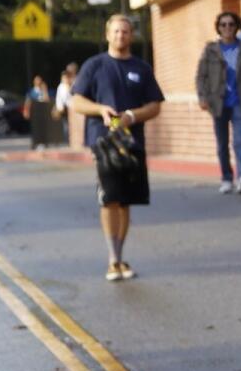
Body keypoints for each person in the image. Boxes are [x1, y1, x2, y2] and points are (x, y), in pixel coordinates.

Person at [71, 14, 165, 283]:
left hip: (132, 142)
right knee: (110, 198)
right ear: (107, 34)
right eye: (116, 31)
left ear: (131, 35)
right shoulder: (94, 65)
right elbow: (77, 101)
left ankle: (121, 256)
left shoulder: (142, 68)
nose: (120, 36)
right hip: (104, 143)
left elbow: (155, 105)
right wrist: (100, 109)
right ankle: (113, 259)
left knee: (125, 201)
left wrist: (131, 117)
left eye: (125, 32)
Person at [195, 11, 241, 194]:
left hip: (240, 102)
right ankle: (226, 178)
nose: (227, 28)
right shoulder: (211, 49)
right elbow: (201, 76)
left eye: (231, 24)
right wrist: (202, 97)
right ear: (218, 28)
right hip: (217, 103)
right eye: (223, 25)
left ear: (236, 27)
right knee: (222, 143)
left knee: (238, 141)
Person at [54, 63, 79, 145]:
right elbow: (60, 98)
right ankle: (69, 142)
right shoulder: (62, 86)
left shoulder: (75, 82)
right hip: (66, 109)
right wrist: (59, 108)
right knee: (67, 127)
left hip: (75, 109)